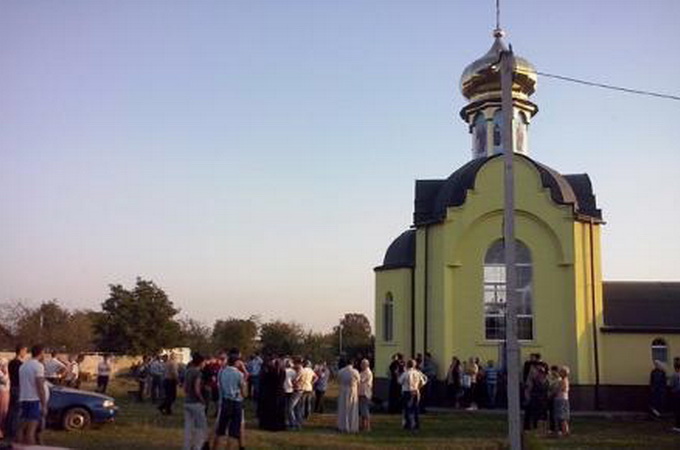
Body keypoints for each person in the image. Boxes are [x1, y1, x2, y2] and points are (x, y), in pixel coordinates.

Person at [213, 349, 246, 450]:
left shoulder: (222, 372)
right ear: (236, 362)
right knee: (233, 433)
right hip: (236, 402)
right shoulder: (239, 375)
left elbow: (219, 385)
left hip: (225, 401)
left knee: (220, 430)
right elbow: (244, 393)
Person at [17, 344, 47, 446]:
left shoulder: (23, 365)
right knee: (31, 430)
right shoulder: (38, 366)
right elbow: (40, 386)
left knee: (21, 428)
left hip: (23, 398)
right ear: (41, 353)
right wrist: (44, 405)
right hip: (33, 399)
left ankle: (19, 446)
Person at [183, 353, 208, 450]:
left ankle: (186, 447)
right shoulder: (198, 373)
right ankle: (198, 447)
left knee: (188, 427)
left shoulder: (188, 371)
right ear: (201, 363)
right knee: (201, 427)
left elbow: (185, 387)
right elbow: (197, 389)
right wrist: (202, 400)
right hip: (195, 402)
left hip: (187, 401)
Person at [258, 356, 286, 431]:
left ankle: (268, 424)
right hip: (279, 392)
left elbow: (265, 381)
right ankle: (279, 425)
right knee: (279, 410)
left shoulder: (270, 372)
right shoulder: (282, 372)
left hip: (271, 393)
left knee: (270, 409)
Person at [399, 359, 427, 430]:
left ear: (407, 365)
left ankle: (409, 425)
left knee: (407, 409)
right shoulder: (418, 373)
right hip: (416, 391)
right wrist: (418, 387)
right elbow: (423, 381)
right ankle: (417, 424)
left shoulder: (406, 373)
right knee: (415, 408)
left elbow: (399, 381)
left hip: (407, 392)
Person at [6, 344, 27, 441]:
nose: (26, 353)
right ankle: (14, 432)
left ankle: (8, 430)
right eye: (25, 351)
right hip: (19, 388)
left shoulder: (11, 363)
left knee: (11, 410)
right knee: (17, 412)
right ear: (21, 351)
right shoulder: (20, 364)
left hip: (12, 387)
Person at [336, 358, 360, 433]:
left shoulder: (341, 371)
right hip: (352, 390)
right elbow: (359, 381)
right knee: (352, 408)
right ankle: (352, 426)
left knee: (343, 408)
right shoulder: (355, 372)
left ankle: (342, 425)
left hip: (343, 390)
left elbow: (338, 380)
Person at [554, 366, 570, 437]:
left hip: (561, 399)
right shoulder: (563, 380)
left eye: (560, 371)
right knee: (562, 416)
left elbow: (561, 389)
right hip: (563, 399)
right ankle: (565, 431)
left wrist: (555, 390)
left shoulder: (563, 381)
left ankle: (564, 431)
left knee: (562, 416)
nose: (559, 373)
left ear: (564, 373)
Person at [358, 358, 373, 432]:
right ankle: (363, 425)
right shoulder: (363, 372)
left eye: (362, 364)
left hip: (365, 393)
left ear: (365, 365)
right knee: (362, 410)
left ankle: (367, 426)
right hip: (361, 392)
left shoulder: (367, 372)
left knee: (365, 410)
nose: (361, 365)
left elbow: (361, 380)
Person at [670, 357, 680, 432]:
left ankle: (678, 426)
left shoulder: (674, 375)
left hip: (677, 393)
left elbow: (672, 384)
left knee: (677, 410)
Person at [0, 359, 9, 440]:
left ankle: (3, 431)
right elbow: (4, 381)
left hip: (5, 392)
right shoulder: (2, 373)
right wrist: (6, 373)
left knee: (4, 413)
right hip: (2, 393)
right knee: (2, 412)